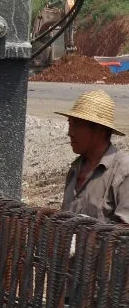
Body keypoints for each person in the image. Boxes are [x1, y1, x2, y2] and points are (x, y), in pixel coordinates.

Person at [57, 89, 129, 224]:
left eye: (76, 125)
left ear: (99, 130)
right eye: (70, 124)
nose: (70, 133)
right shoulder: (75, 169)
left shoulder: (123, 172)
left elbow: (124, 236)